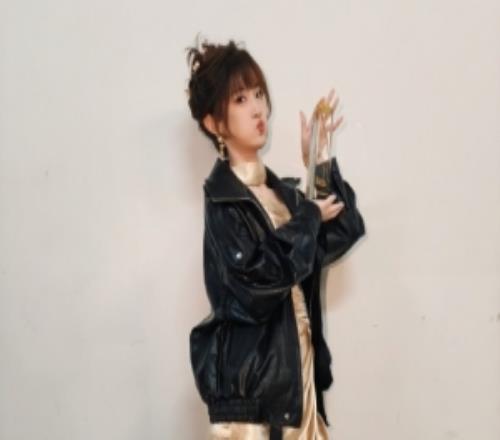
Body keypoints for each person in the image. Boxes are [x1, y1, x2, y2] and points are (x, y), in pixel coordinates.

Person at [185, 36, 366, 440]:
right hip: (255, 397)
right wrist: (307, 216)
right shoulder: (224, 203)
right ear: (214, 124)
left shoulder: (284, 197)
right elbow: (256, 283)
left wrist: (319, 161)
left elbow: (343, 231)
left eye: (258, 94)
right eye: (240, 100)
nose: (258, 109)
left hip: (296, 380)